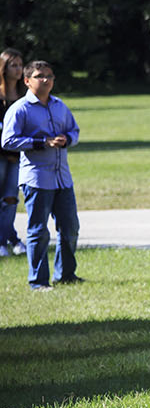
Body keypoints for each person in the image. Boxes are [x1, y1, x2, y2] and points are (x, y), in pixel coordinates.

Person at [2, 61, 81, 290]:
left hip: (62, 178)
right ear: (27, 81)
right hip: (36, 179)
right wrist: (41, 142)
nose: (46, 80)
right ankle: (38, 281)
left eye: (49, 76)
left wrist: (67, 139)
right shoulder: (20, 108)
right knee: (38, 231)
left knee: (70, 228)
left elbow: (74, 130)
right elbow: (7, 140)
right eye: (39, 76)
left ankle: (65, 275)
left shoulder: (60, 106)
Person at [1, 48, 26, 255]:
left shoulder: (24, 97)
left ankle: (6, 239)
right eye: (13, 65)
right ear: (3, 68)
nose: (18, 69)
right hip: (0, 155)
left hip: (18, 155)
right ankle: (10, 240)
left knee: (11, 198)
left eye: (20, 65)